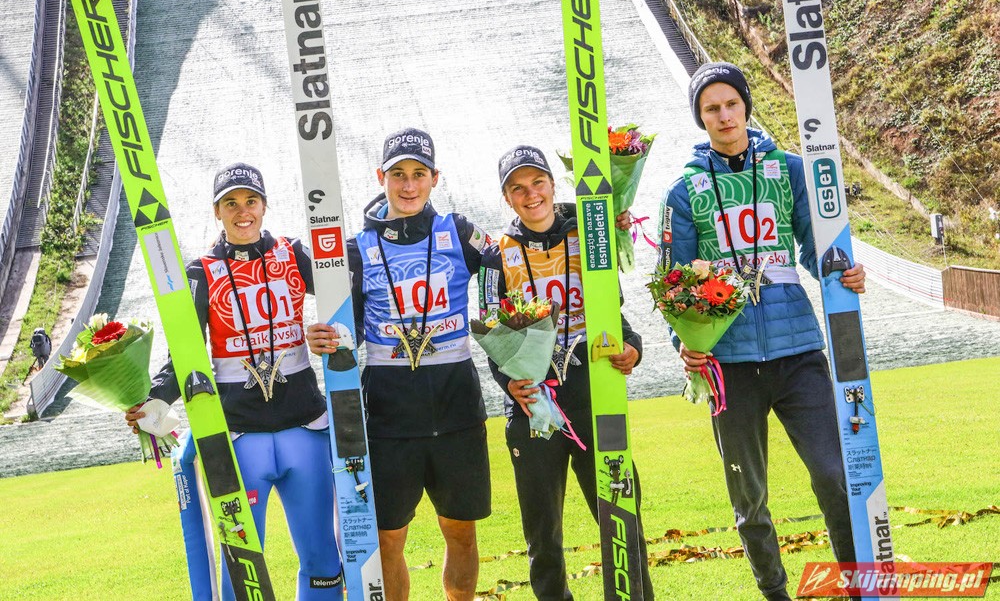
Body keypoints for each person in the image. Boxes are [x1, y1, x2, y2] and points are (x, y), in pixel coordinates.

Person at [658, 62, 865, 601]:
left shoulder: (789, 170)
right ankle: (774, 592)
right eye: (711, 108)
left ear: (745, 106)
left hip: (798, 351)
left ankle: (858, 587)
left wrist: (845, 271)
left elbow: (816, 248)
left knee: (835, 475)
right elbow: (672, 283)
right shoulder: (683, 191)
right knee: (748, 497)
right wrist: (685, 342)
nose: (724, 116)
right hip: (729, 364)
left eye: (732, 103)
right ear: (700, 118)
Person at [126, 162, 343, 600]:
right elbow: (184, 353)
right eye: (231, 203)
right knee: (242, 570)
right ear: (217, 211)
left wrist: (332, 333)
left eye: (250, 201)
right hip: (240, 440)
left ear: (264, 206)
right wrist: (151, 399)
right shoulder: (200, 272)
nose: (242, 211)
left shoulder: (293, 253)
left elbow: (347, 294)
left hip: (306, 429)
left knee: (322, 560)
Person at [307, 127, 491, 601]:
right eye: (398, 175)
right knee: (388, 537)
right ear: (380, 177)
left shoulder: (460, 232)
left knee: (461, 531)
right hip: (390, 416)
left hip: (456, 408)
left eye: (419, 174)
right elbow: (342, 329)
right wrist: (323, 335)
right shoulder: (356, 248)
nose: (409, 185)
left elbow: (515, 261)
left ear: (434, 178)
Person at [479, 145, 654, 600]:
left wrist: (633, 346)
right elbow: (490, 330)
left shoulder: (588, 233)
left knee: (623, 519)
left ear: (553, 184)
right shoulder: (495, 255)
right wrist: (508, 383)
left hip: (595, 396)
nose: (530, 194)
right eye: (517, 188)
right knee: (543, 538)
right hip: (533, 405)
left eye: (537, 182)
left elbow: (611, 310)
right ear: (506, 197)